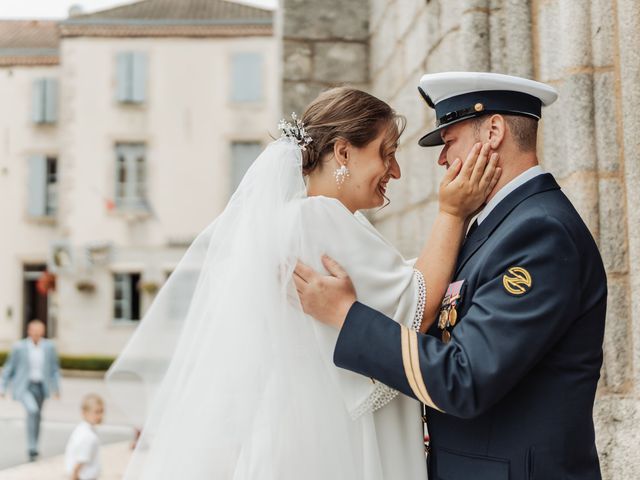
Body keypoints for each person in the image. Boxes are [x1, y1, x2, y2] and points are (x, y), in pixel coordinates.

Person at [105, 87, 500, 479]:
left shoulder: (287, 221)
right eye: (387, 153)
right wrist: (453, 212)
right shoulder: (320, 219)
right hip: (341, 447)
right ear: (343, 152)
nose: (395, 171)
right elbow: (419, 304)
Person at [294, 72, 607, 480]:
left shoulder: (540, 232)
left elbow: (465, 378)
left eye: (449, 140)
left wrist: (346, 316)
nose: (442, 160)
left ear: (493, 131)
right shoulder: (502, 227)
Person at [0, 318, 61, 462]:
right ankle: (31, 447)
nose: (36, 334)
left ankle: (34, 447)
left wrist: (56, 389)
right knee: (32, 411)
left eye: (39, 331)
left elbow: (54, 369)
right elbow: (9, 368)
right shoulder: (19, 347)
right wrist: (2, 387)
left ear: (43, 332)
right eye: (34, 331)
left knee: (38, 416)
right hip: (25, 387)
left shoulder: (49, 347)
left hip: (41, 387)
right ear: (29, 331)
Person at [65, 393, 104, 480]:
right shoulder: (88, 436)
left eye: (102, 411)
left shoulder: (81, 429)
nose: (100, 416)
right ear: (84, 413)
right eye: (96, 412)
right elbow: (79, 464)